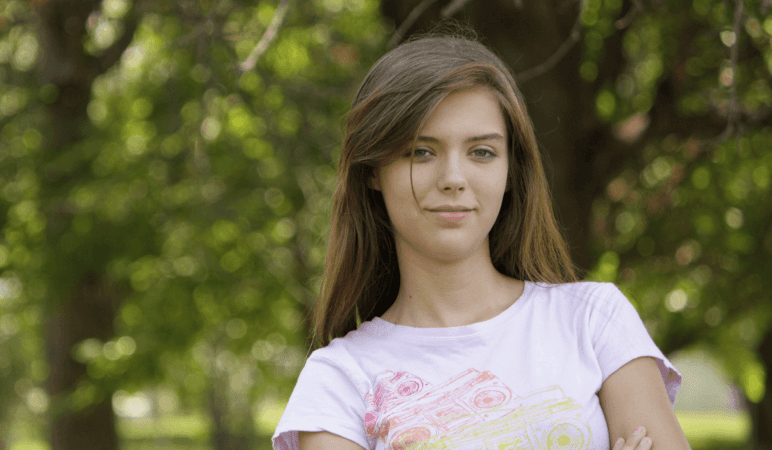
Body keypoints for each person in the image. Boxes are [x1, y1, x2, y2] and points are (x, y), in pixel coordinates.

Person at [273, 33, 691, 450]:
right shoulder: (338, 380)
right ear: (373, 172)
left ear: (511, 170)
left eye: (482, 152)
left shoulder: (594, 321)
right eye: (421, 151)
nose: (454, 178)